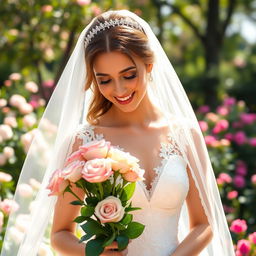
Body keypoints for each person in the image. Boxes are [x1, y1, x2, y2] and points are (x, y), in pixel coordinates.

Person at [0, 9, 235, 256]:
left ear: (149, 64)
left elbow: (206, 222)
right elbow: (59, 235)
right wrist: (97, 253)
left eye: (129, 75)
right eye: (105, 80)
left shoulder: (185, 135)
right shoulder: (85, 142)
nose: (119, 89)